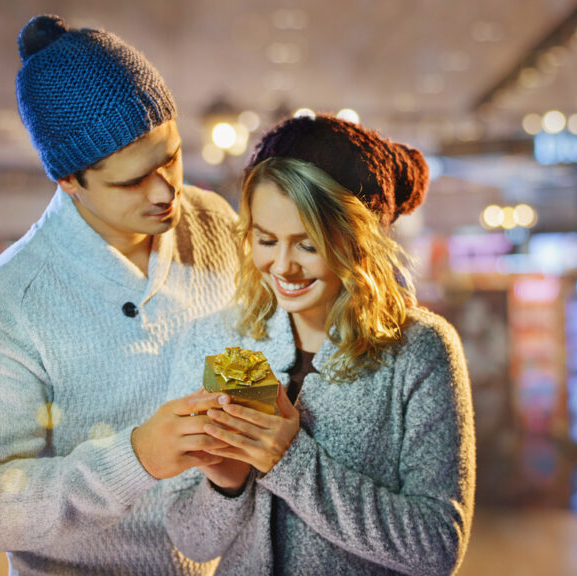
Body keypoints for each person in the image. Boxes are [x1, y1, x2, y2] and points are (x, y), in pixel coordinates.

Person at [0, 14, 237, 574]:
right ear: (68, 180)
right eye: (132, 180)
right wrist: (135, 458)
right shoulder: (6, 304)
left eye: (171, 156)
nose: (167, 190)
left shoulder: (214, 226)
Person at [164, 115, 476, 575]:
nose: (283, 267)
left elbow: (436, 547)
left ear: (358, 240)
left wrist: (288, 461)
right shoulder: (212, 339)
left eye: (307, 246)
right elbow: (191, 542)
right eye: (266, 240)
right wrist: (225, 487)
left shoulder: (419, 350)